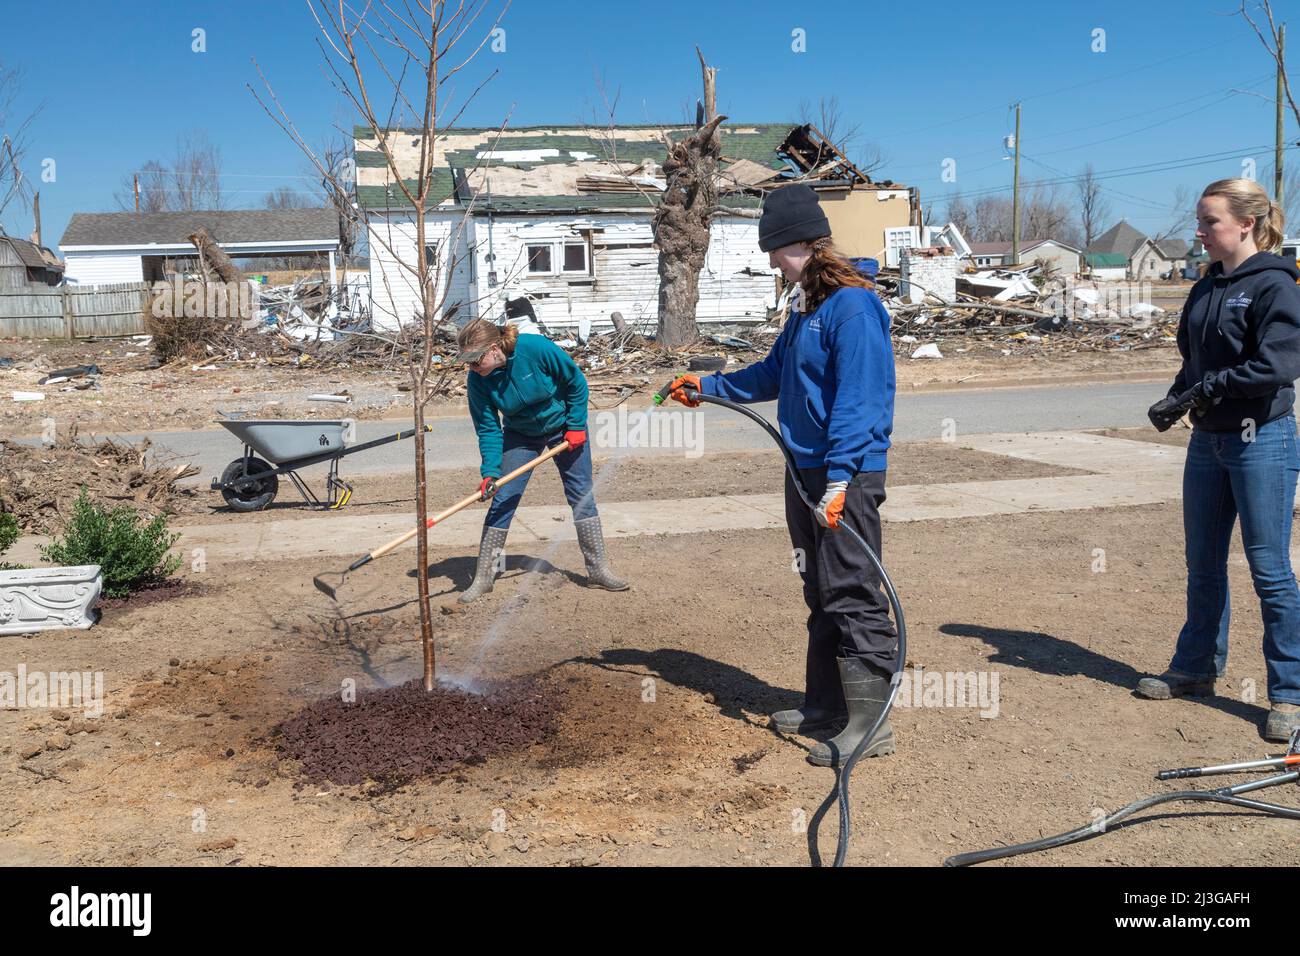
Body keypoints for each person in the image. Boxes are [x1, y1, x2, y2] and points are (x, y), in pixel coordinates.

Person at [666, 183, 898, 767]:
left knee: (853, 593)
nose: (771, 261)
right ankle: (824, 704)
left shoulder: (853, 305)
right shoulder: (807, 305)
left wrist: (842, 479)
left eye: (777, 250)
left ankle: (872, 725)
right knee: (820, 590)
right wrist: (709, 387)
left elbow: (859, 400)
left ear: (803, 243)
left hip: (845, 476)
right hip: (806, 469)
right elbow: (774, 374)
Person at [1142, 177, 1300, 743]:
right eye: (1201, 221)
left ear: (1246, 224)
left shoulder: (1276, 285)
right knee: (1203, 562)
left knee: (1269, 568)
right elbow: (1196, 359)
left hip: (1263, 440)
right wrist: (1179, 394)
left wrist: (1214, 387)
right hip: (1207, 442)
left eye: (1210, 221)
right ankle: (1196, 667)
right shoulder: (1207, 286)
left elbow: (1279, 365)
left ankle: (1289, 693)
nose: (1200, 231)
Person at [456, 318, 628, 603]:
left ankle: (598, 570)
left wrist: (574, 425)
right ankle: (485, 576)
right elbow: (487, 428)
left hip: (564, 427)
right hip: (521, 434)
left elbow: (575, 383)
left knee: (581, 494)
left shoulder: (534, 349)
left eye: (476, 360)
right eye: (468, 362)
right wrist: (490, 473)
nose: (472, 367)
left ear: (495, 349)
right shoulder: (478, 381)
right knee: (503, 497)